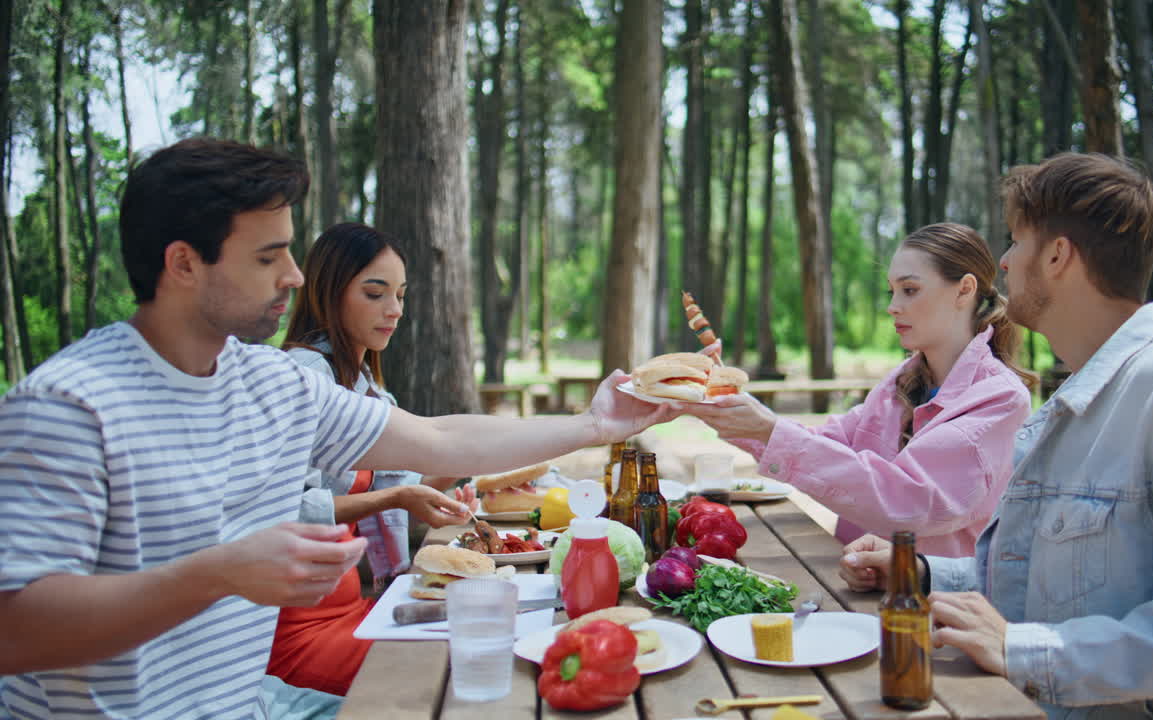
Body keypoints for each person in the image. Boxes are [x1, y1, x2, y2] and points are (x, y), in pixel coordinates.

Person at [0, 138, 676, 719]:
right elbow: (16, 631)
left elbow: (437, 440)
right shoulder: (68, 405)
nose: (295, 275)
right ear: (183, 264)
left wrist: (595, 424)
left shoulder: (274, 384)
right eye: (268, 257)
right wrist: (218, 574)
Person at [841, 153, 1153, 718]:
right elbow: (1062, 577)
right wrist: (924, 573)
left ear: (1056, 255)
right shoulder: (1083, 402)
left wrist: (1026, 651)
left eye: (1015, 241)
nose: (1003, 261)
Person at [684, 223, 1034, 556]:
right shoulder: (899, 383)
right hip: (856, 588)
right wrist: (724, 400)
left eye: (909, 290)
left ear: (965, 289)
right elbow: (826, 444)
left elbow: (909, 500)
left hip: (934, 608)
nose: (892, 306)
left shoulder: (999, 400)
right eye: (892, 291)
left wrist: (767, 427)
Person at [265, 222, 469, 696]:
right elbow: (283, 508)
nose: (394, 310)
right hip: (296, 627)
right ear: (329, 291)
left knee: (485, 622)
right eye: (375, 293)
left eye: (400, 294)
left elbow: (402, 488)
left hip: (356, 604)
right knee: (455, 664)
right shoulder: (302, 373)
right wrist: (397, 495)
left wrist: (456, 482)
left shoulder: (367, 388)